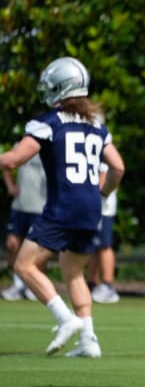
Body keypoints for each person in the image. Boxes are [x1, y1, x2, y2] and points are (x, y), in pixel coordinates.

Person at [0, 56, 125, 358]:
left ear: (59, 88)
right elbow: (118, 168)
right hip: (90, 207)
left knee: (24, 265)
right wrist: (102, 193)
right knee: (73, 271)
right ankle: (89, 340)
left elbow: (15, 159)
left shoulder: (47, 124)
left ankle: (65, 318)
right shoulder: (97, 125)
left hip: (63, 206)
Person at [1, 152, 46, 301]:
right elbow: (7, 164)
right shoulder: (21, 147)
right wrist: (10, 186)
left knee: (39, 249)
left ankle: (34, 286)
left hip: (41, 208)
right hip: (20, 206)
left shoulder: (52, 147)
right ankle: (18, 284)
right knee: (12, 244)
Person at [87, 162, 121, 304]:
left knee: (104, 246)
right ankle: (92, 284)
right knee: (93, 247)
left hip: (103, 208)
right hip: (96, 206)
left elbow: (103, 180)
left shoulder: (102, 148)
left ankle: (107, 286)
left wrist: (94, 201)